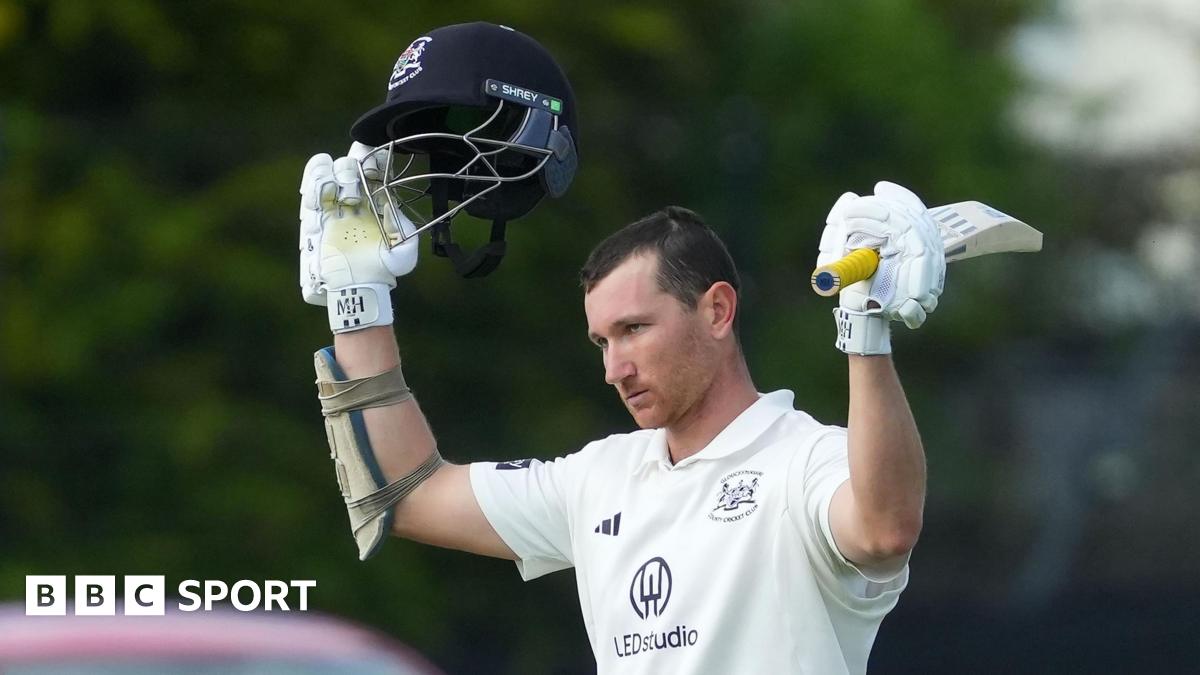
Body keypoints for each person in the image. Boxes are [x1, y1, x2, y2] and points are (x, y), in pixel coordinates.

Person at [298, 21, 944, 675]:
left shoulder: (805, 460)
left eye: (634, 329)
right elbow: (407, 492)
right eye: (601, 340)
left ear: (717, 310)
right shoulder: (598, 479)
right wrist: (358, 301)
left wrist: (866, 334)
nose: (614, 368)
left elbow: (884, 529)